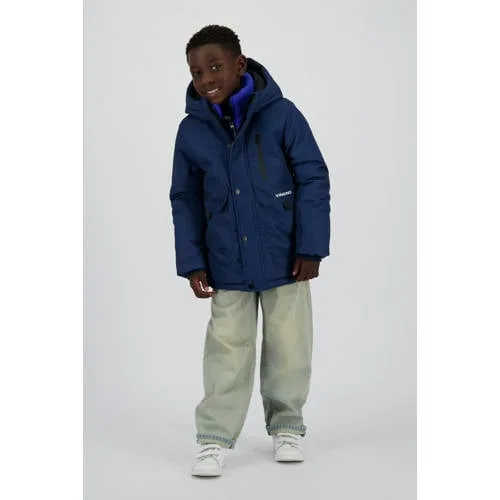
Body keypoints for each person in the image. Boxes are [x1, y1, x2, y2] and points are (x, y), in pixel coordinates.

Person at [169, 24, 331, 477]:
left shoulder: (282, 115)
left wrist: (311, 247)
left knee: (289, 346)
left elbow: (313, 177)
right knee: (226, 350)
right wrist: (192, 261)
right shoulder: (192, 131)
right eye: (197, 72)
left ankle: (287, 426)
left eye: (215, 67)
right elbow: (184, 198)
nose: (206, 79)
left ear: (240, 64)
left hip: (286, 258)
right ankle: (214, 438)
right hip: (227, 261)